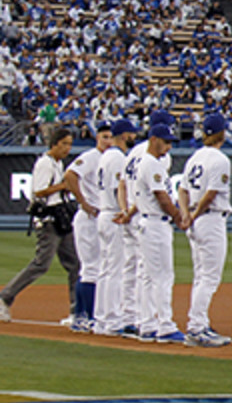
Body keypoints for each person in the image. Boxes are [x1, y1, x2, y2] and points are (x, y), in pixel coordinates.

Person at [0, 127, 79, 323]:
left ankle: (76, 309)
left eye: (69, 144)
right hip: (48, 220)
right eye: (64, 144)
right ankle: (4, 298)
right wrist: (63, 186)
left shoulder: (58, 163)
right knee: (41, 264)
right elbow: (39, 191)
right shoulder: (45, 163)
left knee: (76, 264)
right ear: (54, 143)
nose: (67, 148)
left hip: (61, 219)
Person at [177, 113, 232, 347]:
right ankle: (196, 327)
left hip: (196, 218)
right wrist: (194, 215)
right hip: (208, 219)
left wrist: (186, 215)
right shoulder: (220, 159)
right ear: (222, 133)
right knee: (209, 277)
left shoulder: (195, 157)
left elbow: (182, 189)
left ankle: (199, 323)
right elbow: (211, 194)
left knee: (201, 275)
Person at [133, 123, 189, 343]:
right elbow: (162, 198)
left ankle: (147, 324)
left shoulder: (145, 162)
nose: (168, 147)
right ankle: (165, 325)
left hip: (148, 222)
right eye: (165, 142)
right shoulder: (152, 163)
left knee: (148, 276)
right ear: (153, 139)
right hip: (156, 223)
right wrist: (179, 217)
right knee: (163, 276)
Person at [63, 122, 112, 332]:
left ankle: (83, 315)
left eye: (110, 137)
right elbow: (70, 175)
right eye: (104, 137)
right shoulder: (92, 156)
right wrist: (83, 201)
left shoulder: (111, 158)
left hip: (99, 217)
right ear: (97, 138)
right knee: (91, 267)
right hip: (88, 217)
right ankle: (85, 316)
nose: (108, 141)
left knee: (96, 267)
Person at [93, 119, 137, 336]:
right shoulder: (118, 157)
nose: (134, 137)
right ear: (123, 135)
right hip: (113, 214)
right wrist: (125, 211)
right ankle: (112, 321)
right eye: (131, 134)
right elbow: (116, 189)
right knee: (115, 270)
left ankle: (101, 319)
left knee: (105, 269)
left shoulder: (106, 156)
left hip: (104, 213)